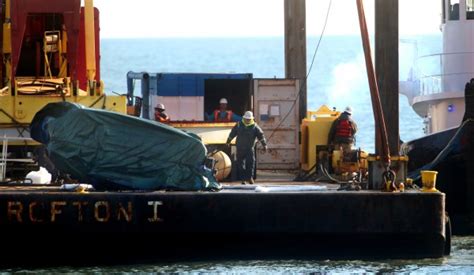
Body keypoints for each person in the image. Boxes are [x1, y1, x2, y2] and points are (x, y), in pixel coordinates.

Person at [226, 111, 267, 185]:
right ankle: (243, 179)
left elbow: (261, 136)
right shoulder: (238, 125)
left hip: (249, 149)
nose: (247, 120)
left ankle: (250, 178)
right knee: (240, 164)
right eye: (246, 119)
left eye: (249, 119)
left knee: (250, 164)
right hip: (240, 148)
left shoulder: (255, 126)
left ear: (251, 119)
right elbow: (232, 133)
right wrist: (228, 141)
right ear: (244, 118)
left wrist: (264, 145)